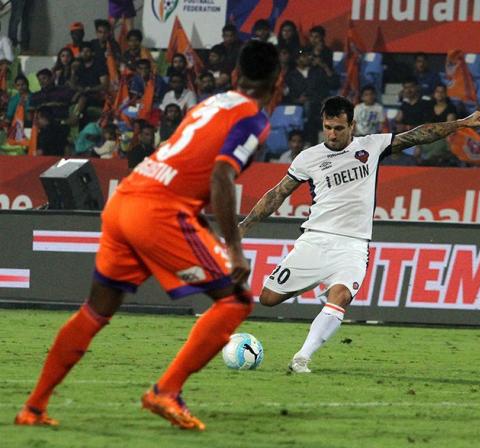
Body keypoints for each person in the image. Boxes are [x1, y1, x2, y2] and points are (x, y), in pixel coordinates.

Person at [14, 40, 280, 431]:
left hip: (125, 199)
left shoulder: (211, 104)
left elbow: (189, 168)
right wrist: (234, 249)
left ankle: (33, 407)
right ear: (278, 83)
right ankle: (166, 391)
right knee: (236, 301)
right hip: (158, 211)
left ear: (236, 75)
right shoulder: (254, 119)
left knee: (95, 310)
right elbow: (221, 176)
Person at [239, 96, 480, 373]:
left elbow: (419, 135)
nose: (332, 134)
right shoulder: (308, 158)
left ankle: (302, 357)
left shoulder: (371, 146)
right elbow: (277, 194)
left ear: (352, 125)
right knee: (268, 298)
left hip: (353, 246)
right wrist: (243, 228)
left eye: (338, 128)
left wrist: (461, 123)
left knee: (342, 295)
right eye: (328, 127)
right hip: (315, 239)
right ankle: (316, 285)